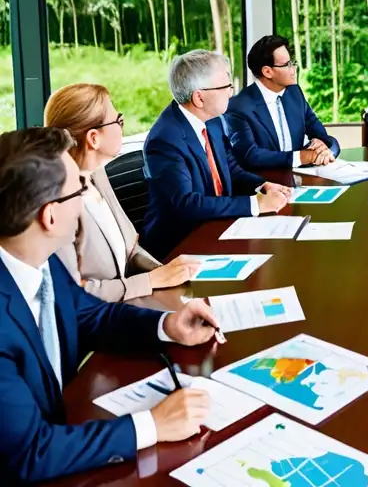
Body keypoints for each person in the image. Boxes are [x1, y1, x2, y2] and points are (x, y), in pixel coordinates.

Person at [0, 127, 223, 483]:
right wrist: (152, 425)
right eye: (79, 189)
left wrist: (165, 325)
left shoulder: (37, 259)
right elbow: (32, 453)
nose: (87, 195)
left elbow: (88, 314)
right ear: (50, 216)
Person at [44, 84, 199, 302]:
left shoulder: (97, 174)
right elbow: (73, 294)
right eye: (118, 121)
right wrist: (151, 280)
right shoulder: (59, 204)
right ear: (93, 139)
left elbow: (130, 248)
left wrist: (168, 272)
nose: (122, 127)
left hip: (129, 305)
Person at [142, 51, 290, 259]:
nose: (231, 93)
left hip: (218, 227)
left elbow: (230, 168)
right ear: (199, 97)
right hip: (180, 247)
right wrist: (256, 204)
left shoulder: (212, 119)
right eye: (225, 87)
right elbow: (187, 203)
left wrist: (261, 185)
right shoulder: (165, 140)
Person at [224, 35, 340, 171]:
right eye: (287, 65)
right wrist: (301, 157)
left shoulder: (294, 92)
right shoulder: (238, 107)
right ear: (267, 71)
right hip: (263, 185)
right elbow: (251, 156)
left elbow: (320, 134)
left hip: (299, 178)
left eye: (292, 63)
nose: (294, 69)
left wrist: (324, 149)